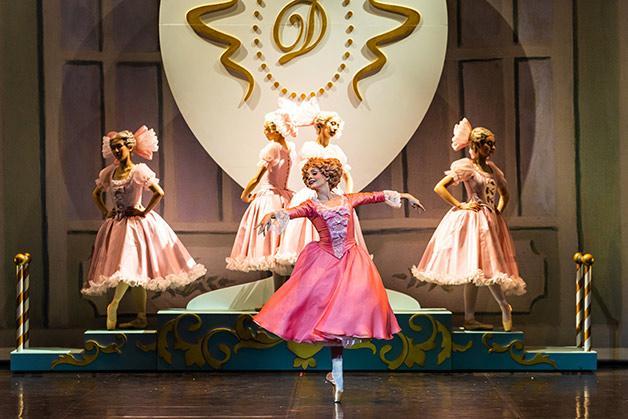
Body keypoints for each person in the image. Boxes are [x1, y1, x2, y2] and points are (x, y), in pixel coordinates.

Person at [255, 157, 424, 403]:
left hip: (351, 262)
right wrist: (271, 215)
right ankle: (336, 373)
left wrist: (405, 196)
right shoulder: (311, 205)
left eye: (314, 173)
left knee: (343, 319)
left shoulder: (347, 199)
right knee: (328, 321)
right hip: (324, 264)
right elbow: (290, 213)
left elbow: (374, 196)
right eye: (307, 174)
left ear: (327, 175)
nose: (310, 177)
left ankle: (336, 373)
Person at [82, 127, 206, 330]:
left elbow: (158, 192)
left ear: (129, 147)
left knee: (130, 268)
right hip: (118, 225)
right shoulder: (109, 173)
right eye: (113, 148)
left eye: (119, 147)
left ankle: (115, 304)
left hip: (136, 226)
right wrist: (106, 211)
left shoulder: (138, 171)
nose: (116, 151)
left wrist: (144, 211)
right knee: (131, 270)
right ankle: (140, 316)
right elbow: (96, 194)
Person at [411, 118, 526, 331]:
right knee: (475, 270)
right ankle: (474, 316)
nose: (492, 148)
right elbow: (440, 187)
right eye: (488, 144)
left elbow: (505, 194)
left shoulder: (492, 169)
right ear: (476, 145)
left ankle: (501, 306)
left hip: (489, 221)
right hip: (474, 220)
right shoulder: (467, 167)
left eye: (493, 144)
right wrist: (460, 205)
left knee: (487, 267)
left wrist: (497, 212)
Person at [273, 104, 368, 276]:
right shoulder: (310, 148)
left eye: (337, 124)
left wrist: (347, 197)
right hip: (315, 195)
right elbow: (309, 174)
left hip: (336, 197)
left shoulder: (336, 151)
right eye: (332, 123)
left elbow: (347, 177)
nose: (335, 127)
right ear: (320, 125)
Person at [226, 108, 297, 289]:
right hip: (284, 199)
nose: (265, 132)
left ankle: (278, 296)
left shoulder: (273, 147)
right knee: (278, 249)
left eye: (267, 128)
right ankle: (280, 295)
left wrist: (245, 194)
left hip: (271, 201)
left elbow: (257, 178)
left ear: (276, 130)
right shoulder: (289, 148)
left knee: (271, 248)